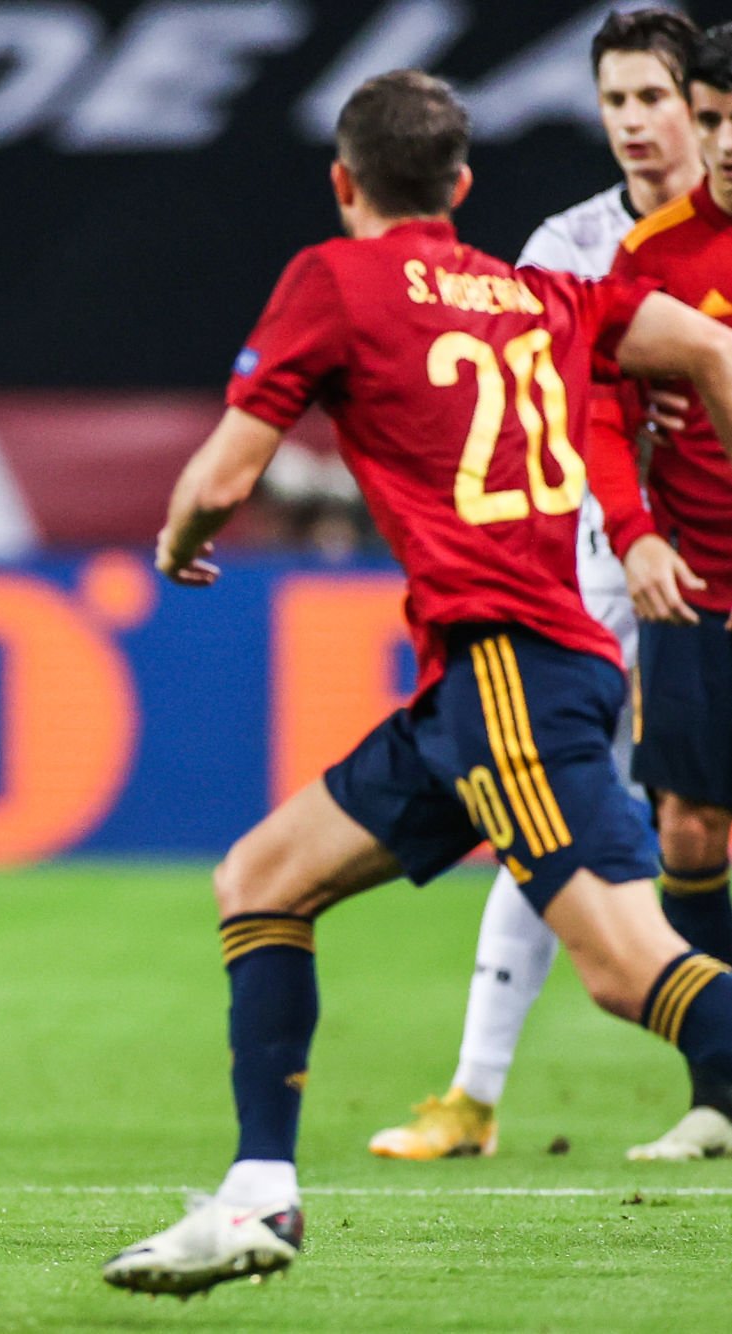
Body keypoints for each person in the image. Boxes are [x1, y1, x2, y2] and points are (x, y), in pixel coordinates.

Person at [103, 70, 732, 1298]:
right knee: (260, 878)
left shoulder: (336, 279)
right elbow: (708, 344)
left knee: (626, 968)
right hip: (481, 685)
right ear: (461, 185)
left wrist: (180, 539)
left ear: (344, 183)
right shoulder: (542, 292)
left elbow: (224, 478)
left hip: (515, 670)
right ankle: (257, 1195)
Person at [369, 6, 715, 1164]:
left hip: (701, 555)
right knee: (556, 819)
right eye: (614, 100)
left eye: (652, 97)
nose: (633, 121)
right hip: (597, 569)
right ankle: (474, 1094)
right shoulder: (567, 245)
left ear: (698, 105)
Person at [591, 18, 732, 1159]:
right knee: (685, 826)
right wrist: (633, 533)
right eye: (715, 119)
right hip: (697, 584)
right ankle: (721, 1091)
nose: (725, 145)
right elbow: (601, 408)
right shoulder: (654, 256)